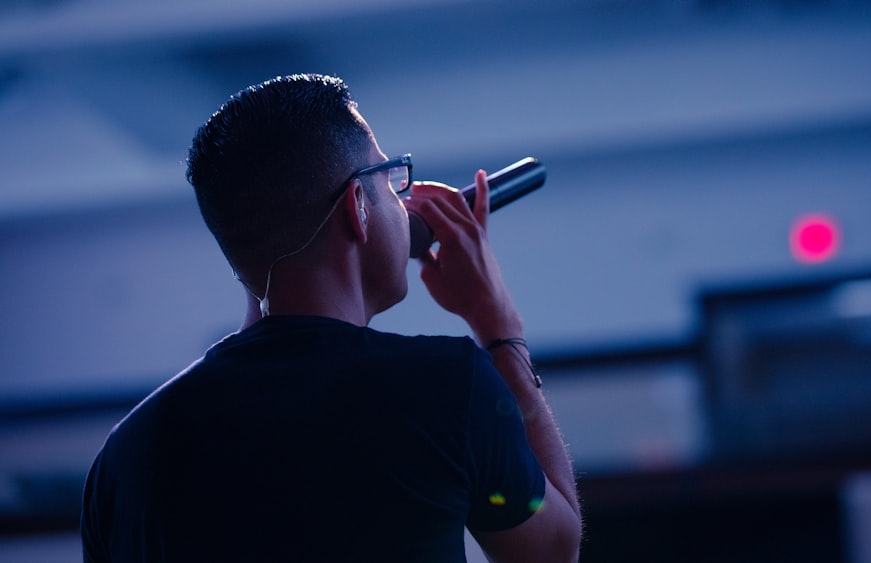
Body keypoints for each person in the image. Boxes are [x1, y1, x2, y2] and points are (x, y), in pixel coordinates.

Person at [80, 73, 582, 562]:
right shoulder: (447, 386)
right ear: (358, 207)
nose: (404, 201)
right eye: (390, 181)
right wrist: (499, 325)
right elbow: (554, 551)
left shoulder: (125, 457)